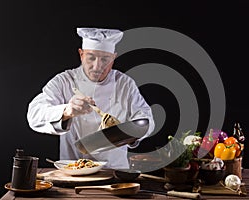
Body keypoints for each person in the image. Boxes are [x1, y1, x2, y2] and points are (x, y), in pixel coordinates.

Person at [27, 27, 155, 169]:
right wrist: (66, 111)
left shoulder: (125, 84)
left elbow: (147, 120)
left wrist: (130, 134)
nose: (97, 66)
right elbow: (34, 115)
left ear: (113, 58)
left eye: (105, 59)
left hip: (115, 171)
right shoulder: (64, 81)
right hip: (74, 170)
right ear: (81, 55)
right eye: (91, 58)